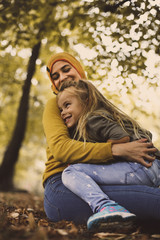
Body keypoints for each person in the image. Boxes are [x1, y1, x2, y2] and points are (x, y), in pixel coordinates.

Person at [43, 52, 160, 227]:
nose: (62, 77)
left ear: (79, 70)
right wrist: (117, 150)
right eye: (55, 76)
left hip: (92, 175)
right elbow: (61, 148)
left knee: (148, 202)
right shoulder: (56, 103)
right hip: (62, 182)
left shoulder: (93, 110)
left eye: (66, 69)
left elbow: (128, 134)